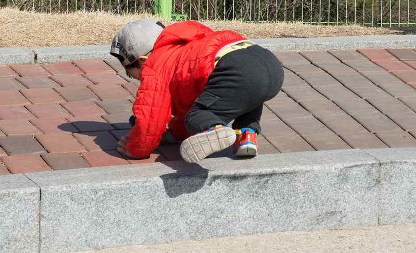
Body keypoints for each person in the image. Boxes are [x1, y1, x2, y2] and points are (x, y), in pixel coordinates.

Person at [109, 18, 285, 162]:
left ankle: (214, 129)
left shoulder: (156, 65)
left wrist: (136, 149)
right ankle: (246, 135)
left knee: (197, 115)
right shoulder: (189, 45)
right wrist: (173, 134)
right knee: (246, 97)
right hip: (269, 64)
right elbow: (190, 101)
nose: (139, 79)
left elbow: (150, 119)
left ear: (142, 60)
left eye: (133, 75)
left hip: (236, 72)